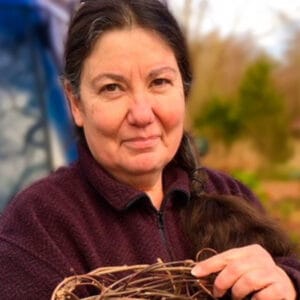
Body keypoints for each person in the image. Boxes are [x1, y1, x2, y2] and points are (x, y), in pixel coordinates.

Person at [0, 0, 299, 299]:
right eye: (112, 88)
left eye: (159, 82)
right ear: (76, 103)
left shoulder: (231, 193)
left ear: (183, 89)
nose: (142, 114)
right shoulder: (37, 224)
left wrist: (288, 283)